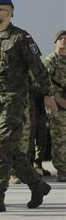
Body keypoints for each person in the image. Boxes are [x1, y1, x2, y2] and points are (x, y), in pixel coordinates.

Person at [0, 0, 58, 212]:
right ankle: (37, 185)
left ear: (10, 11)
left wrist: (48, 94)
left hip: (14, 100)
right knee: (9, 151)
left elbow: (37, 68)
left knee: (3, 146)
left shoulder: (21, 38)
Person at [44, 30, 66, 182]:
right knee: (59, 139)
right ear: (55, 42)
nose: (64, 41)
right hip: (57, 104)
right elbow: (45, 83)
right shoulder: (51, 60)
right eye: (61, 39)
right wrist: (58, 100)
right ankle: (62, 170)